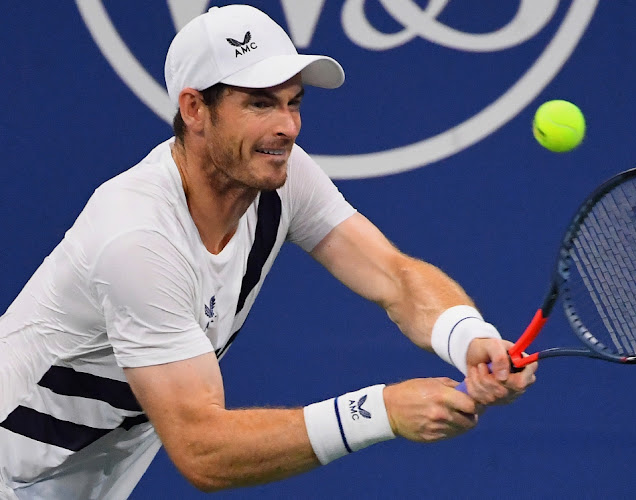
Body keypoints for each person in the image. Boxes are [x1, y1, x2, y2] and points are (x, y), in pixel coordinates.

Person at [0, 5, 537, 499]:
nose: (286, 126)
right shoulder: (137, 238)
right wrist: (380, 411)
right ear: (195, 109)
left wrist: (470, 338)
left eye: (293, 102)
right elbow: (203, 450)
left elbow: (394, 277)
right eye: (259, 103)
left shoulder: (282, 175)